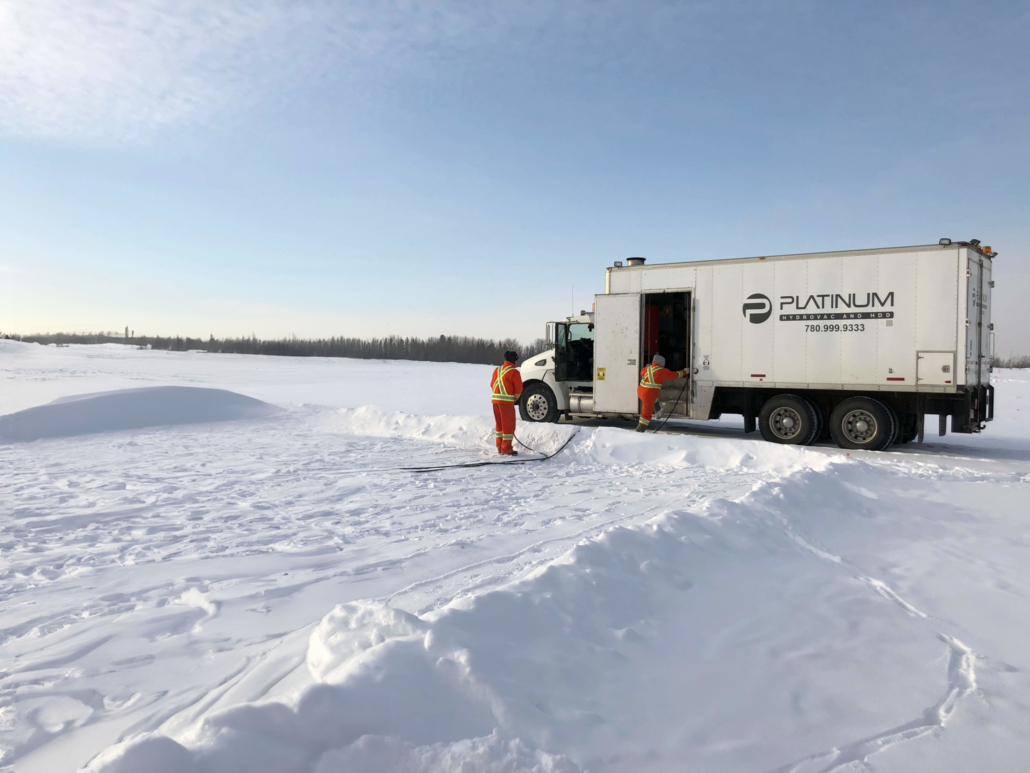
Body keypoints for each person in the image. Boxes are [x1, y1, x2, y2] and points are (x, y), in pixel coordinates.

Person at [637, 354, 688, 432]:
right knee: (645, 416)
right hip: (648, 395)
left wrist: (647, 366)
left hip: (640, 391)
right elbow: (675, 375)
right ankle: (639, 431)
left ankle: (658, 411)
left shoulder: (648, 368)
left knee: (655, 396)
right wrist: (685, 371)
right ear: (661, 363)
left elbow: (642, 372)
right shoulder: (662, 371)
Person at [491, 350, 523, 455]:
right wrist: (515, 398)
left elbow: (492, 384)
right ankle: (506, 449)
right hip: (506, 404)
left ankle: (500, 447)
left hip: (495, 402)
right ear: (514, 360)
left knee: (499, 426)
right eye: (517, 360)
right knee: (508, 427)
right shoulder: (514, 372)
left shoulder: (497, 370)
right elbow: (519, 389)